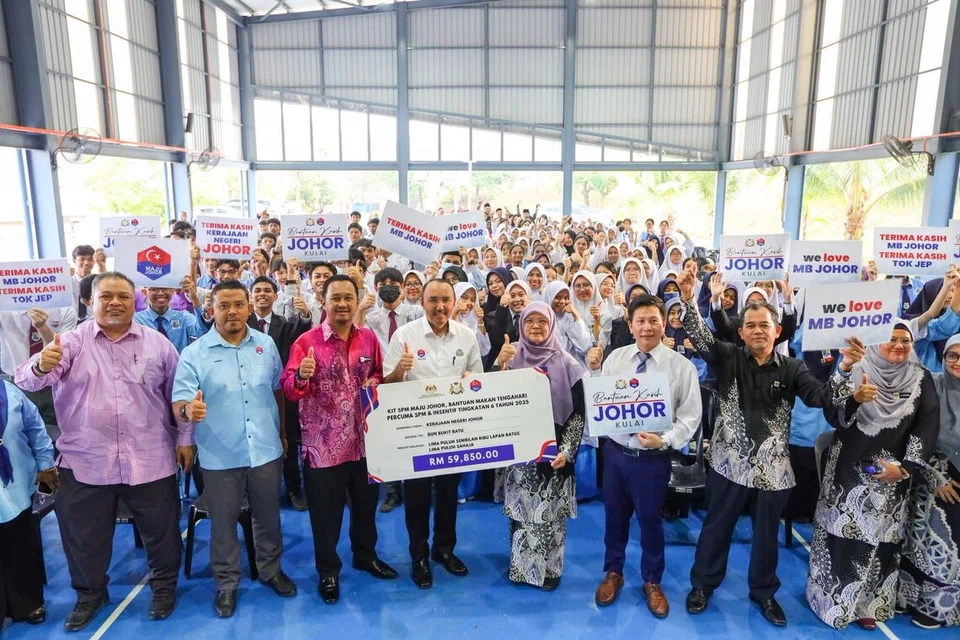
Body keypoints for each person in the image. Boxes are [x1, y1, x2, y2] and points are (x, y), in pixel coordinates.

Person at [674, 269, 864, 627]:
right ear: (741, 332)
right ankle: (702, 586)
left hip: (774, 471)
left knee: (767, 537)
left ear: (777, 331)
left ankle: (764, 593)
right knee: (716, 528)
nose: (758, 331)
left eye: (765, 325)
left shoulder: (792, 368)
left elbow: (821, 397)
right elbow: (700, 337)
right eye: (751, 325)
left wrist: (846, 366)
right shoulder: (727, 357)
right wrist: (690, 301)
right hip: (728, 465)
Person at [15, 272, 191, 630]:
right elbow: (27, 380)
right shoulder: (69, 343)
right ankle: (90, 594)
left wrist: (186, 436)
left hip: (150, 459)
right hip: (85, 462)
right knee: (84, 538)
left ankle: (163, 588)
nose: (114, 303)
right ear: (90, 302)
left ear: (134, 301)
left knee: (162, 531)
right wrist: (40, 364)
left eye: (123, 297)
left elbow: (179, 394)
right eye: (106, 296)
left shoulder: (158, 345)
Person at [172, 280, 297, 618]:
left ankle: (271, 570)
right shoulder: (194, 354)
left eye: (238, 304)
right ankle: (227, 584)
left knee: (269, 516)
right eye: (223, 305)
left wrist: (283, 434)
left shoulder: (266, 344)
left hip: (265, 449)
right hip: (219, 454)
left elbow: (277, 391)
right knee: (224, 523)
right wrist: (188, 411)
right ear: (211, 310)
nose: (232, 312)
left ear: (248, 308)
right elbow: (180, 401)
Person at [807, 321, 940, 631]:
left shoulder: (921, 378)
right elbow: (832, 412)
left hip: (892, 474)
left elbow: (927, 426)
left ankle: (868, 603)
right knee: (842, 533)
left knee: (881, 540)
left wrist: (906, 467)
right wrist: (855, 398)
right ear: (876, 341)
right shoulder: (857, 367)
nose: (897, 345)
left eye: (904, 340)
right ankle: (832, 599)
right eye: (890, 339)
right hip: (848, 469)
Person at [281, 274, 398, 604]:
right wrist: (301, 376)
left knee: (365, 508)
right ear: (324, 300)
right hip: (323, 449)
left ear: (357, 299)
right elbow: (289, 388)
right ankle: (328, 571)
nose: (343, 304)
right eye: (336, 298)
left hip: (365, 443)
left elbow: (377, 372)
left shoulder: (369, 339)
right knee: (325, 514)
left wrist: (373, 382)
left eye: (349, 297)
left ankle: (365, 555)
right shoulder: (306, 342)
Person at [588, 295, 702, 618]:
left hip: (652, 459)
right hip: (616, 455)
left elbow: (690, 418)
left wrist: (664, 440)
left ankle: (652, 580)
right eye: (641, 321)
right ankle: (613, 572)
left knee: (651, 521)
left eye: (654, 320)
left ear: (663, 323)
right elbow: (599, 402)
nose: (647, 327)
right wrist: (594, 371)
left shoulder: (681, 367)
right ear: (631, 324)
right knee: (614, 517)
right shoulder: (615, 359)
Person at [382, 279, 484, 588]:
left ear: (454, 303)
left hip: (453, 431)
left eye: (445, 300)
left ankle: (443, 550)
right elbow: (386, 386)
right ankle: (419, 556)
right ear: (422, 303)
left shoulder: (467, 336)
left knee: (449, 494)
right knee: (417, 497)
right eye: (433, 300)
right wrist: (401, 369)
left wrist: (470, 379)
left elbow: (478, 379)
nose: (440, 307)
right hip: (416, 433)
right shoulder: (404, 336)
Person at [494, 302, 585, 590]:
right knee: (522, 514)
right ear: (520, 325)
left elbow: (578, 414)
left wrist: (567, 451)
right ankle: (522, 568)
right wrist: (499, 366)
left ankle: (550, 571)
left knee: (551, 515)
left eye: (541, 321)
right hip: (519, 455)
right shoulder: (511, 360)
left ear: (551, 325)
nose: (535, 326)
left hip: (554, 455)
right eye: (529, 320)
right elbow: (488, 402)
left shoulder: (569, 364)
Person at [898, 333, 960, 629]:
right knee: (932, 537)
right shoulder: (932, 385)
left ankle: (943, 607)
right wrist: (937, 476)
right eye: (952, 356)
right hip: (930, 475)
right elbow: (917, 436)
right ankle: (916, 600)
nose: (957, 363)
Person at [356, 267, 423, 512]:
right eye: (382, 282)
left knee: (414, 435)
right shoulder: (371, 317)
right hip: (382, 382)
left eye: (393, 281)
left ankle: (416, 486)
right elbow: (357, 339)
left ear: (402, 287)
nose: (388, 285)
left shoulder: (415, 312)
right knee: (389, 439)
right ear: (375, 288)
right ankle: (393, 491)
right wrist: (361, 309)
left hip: (413, 379)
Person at [248, 276, 311, 511]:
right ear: (250, 296)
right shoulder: (241, 323)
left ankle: (294, 490)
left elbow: (300, 333)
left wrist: (304, 316)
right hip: (251, 395)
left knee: (289, 444)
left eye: (267, 290)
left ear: (276, 296)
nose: (262, 294)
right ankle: (255, 494)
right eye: (257, 290)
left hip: (282, 395)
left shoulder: (284, 324)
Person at [0, 380, 56, 627]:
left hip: (17, 485)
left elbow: (35, 428)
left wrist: (46, 465)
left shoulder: (9, 392)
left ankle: (27, 604)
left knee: (21, 545)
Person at [134, 285, 207, 354]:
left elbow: (203, 332)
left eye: (165, 288)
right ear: (144, 292)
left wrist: (195, 300)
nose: (160, 293)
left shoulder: (184, 317)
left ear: (172, 291)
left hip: (179, 366)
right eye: (154, 289)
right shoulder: (136, 320)